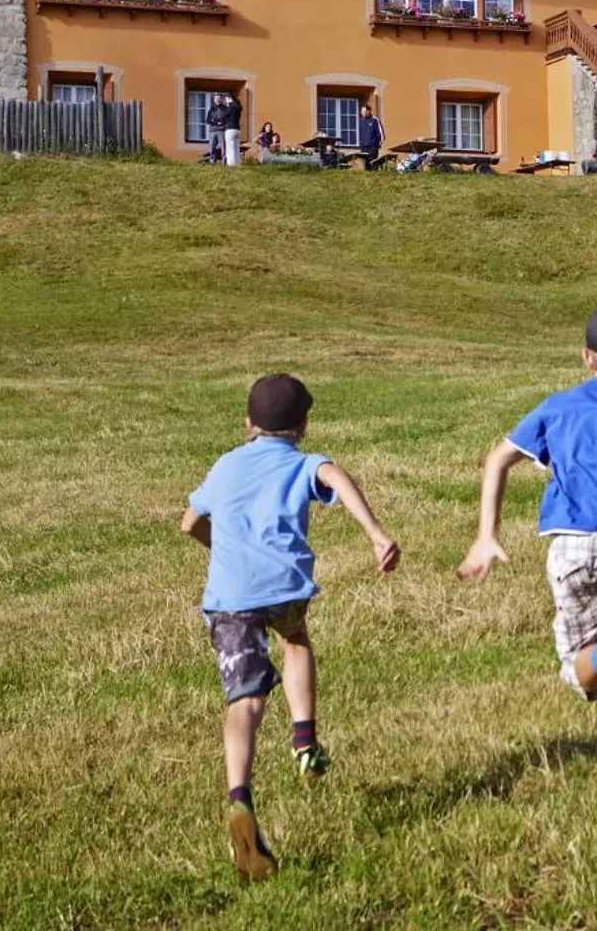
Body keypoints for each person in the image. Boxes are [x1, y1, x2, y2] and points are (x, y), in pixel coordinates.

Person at [180, 373, 400, 880]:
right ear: (302, 425)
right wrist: (375, 534)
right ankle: (304, 743)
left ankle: (240, 798)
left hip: (231, 599)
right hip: (284, 590)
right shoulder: (302, 463)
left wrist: (221, 546)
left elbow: (189, 522)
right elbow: (337, 477)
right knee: (295, 639)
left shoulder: (225, 465)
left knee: (246, 701)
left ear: (247, 424)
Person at [456, 304, 597, 803]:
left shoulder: (556, 405)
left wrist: (486, 536)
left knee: (580, 669)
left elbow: (498, 458)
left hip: (571, 544)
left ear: (585, 357)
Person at [218, 90, 243, 168]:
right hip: (237, 129)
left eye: (226, 99)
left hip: (230, 129)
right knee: (236, 147)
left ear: (230, 99)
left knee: (230, 147)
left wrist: (220, 121)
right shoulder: (238, 107)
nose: (225, 101)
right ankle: (237, 164)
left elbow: (223, 116)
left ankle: (231, 164)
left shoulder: (231, 107)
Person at [357, 104, 384, 170]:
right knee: (365, 164)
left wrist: (378, 143)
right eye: (361, 111)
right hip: (363, 146)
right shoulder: (360, 121)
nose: (362, 113)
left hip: (373, 146)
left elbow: (381, 133)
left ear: (368, 111)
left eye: (364, 111)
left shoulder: (375, 120)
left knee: (373, 163)